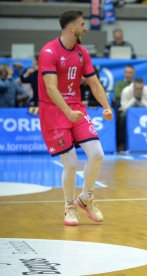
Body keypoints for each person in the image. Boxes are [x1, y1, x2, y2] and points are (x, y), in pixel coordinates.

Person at [38, 10, 113, 226]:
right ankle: (69, 206)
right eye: (82, 24)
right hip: (54, 112)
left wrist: (106, 106)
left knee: (97, 154)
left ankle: (86, 198)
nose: (85, 28)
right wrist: (67, 112)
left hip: (76, 108)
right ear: (72, 27)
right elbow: (51, 89)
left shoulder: (82, 53)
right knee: (70, 164)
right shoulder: (49, 51)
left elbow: (94, 83)